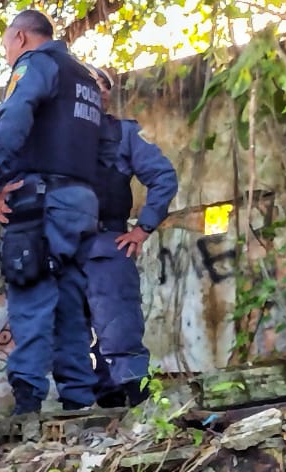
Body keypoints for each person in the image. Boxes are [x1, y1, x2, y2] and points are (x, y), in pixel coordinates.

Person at [0, 10, 103, 416]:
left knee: (31, 291)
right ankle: (79, 399)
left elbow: (14, 115)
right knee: (71, 301)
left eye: (5, 46)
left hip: (43, 201)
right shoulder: (84, 78)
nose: (7, 55)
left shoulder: (37, 64)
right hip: (81, 202)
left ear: (19, 37)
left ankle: (28, 404)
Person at [85, 66, 178, 408]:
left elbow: (163, 177)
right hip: (60, 250)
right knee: (67, 339)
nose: (92, 90)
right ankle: (96, 415)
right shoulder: (55, 135)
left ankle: (139, 411)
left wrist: (143, 228)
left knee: (119, 329)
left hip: (107, 243)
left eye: (99, 84)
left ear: (108, 94)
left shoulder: (121, 134)